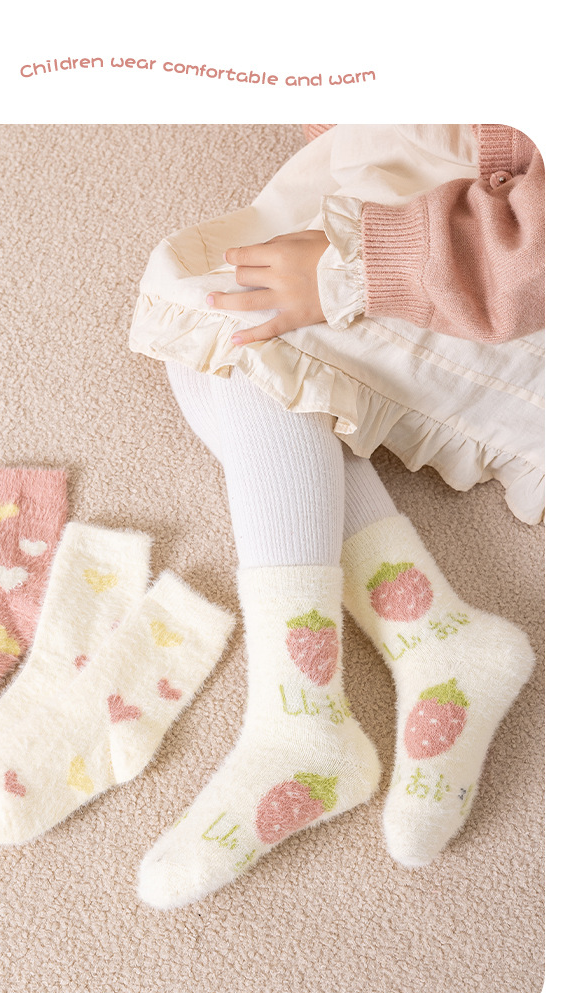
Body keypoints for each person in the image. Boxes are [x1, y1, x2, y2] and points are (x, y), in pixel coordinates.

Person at [130, 124, 543, 910]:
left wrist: (359, 265)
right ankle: (431, 636)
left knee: (239, 328)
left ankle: (298, 713)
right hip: (454, 179)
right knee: (208, 337)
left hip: (511, 264)